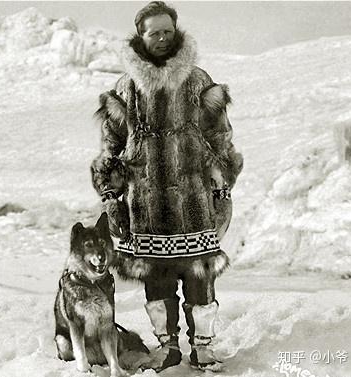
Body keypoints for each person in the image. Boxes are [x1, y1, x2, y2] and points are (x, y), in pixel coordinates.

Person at [90, 1, 243, 372]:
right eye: (153, 32)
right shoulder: (125, 89)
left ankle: (203, 348)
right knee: (156, 280)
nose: (161, 38)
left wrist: (222, 184)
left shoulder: (197, 81)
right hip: (145, 205)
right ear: (140, 36)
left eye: (167, 31)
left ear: (176, 33)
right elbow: (110, 146)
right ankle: (168, 349)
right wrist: (112, 196)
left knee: (198, 276)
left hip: (193, 202)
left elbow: (220, 137)